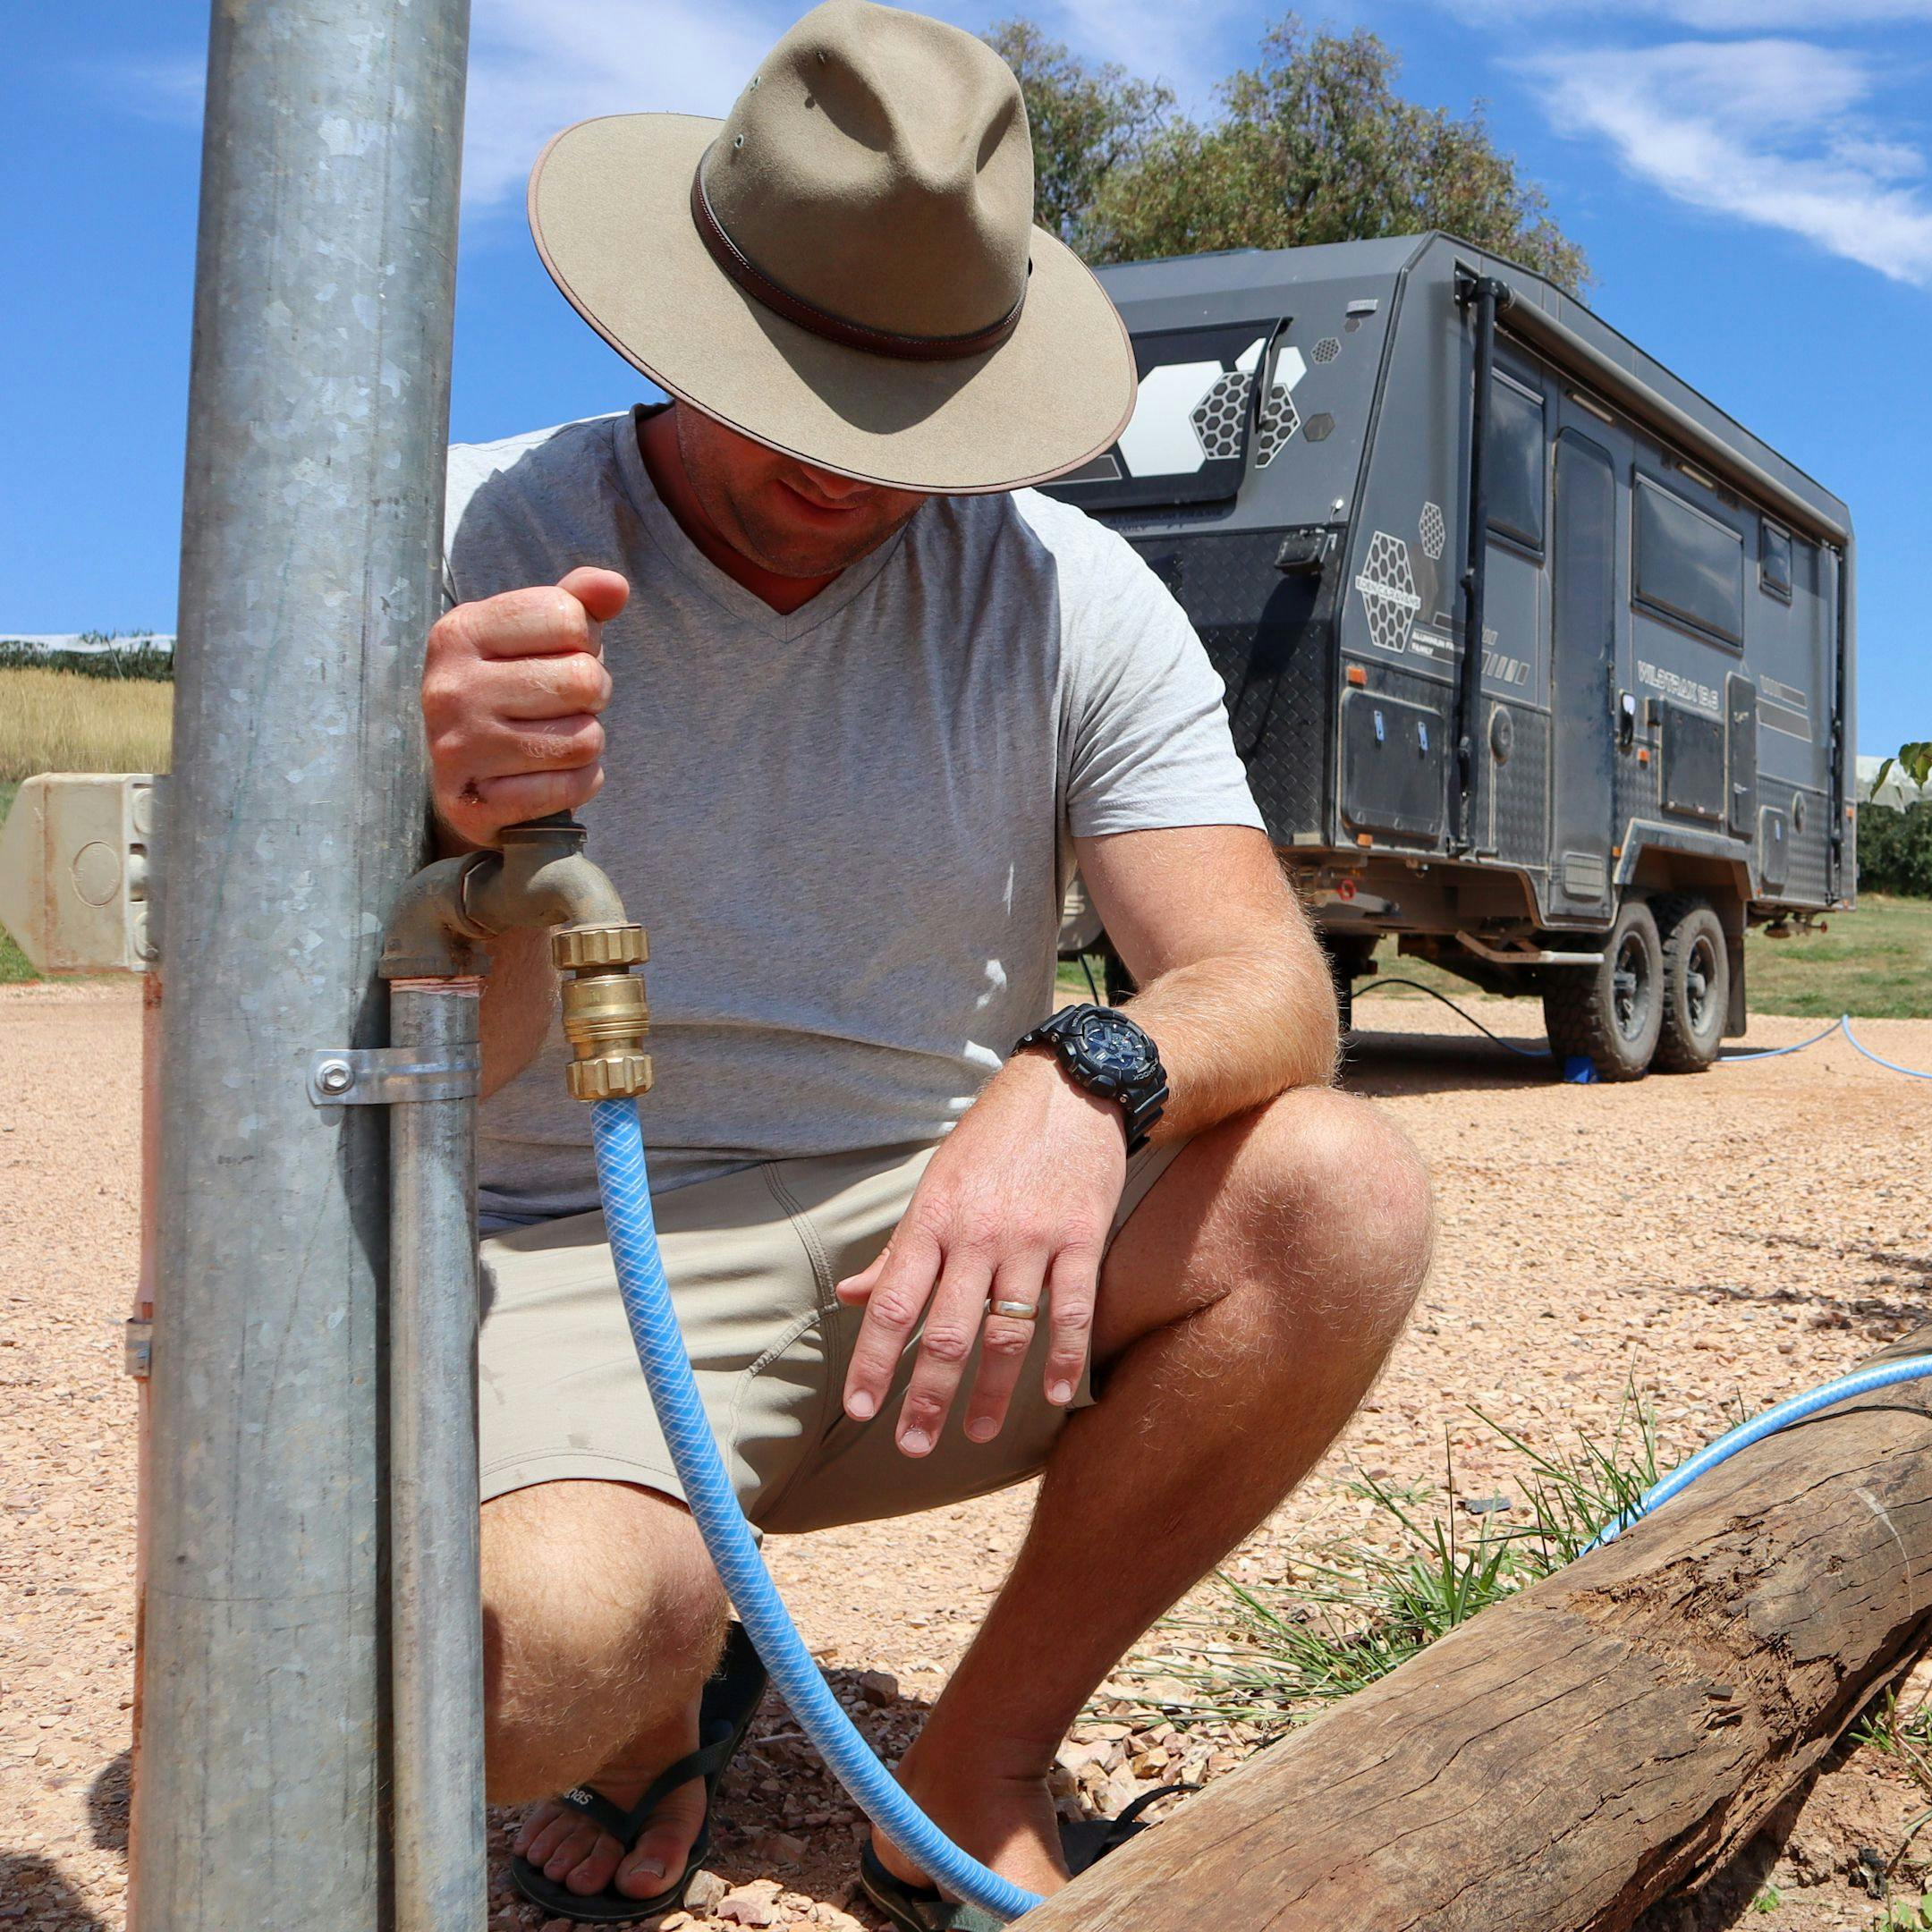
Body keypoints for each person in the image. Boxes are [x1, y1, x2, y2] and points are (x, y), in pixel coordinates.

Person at [422, 4, 1435, 1922]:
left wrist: (1085, 1080)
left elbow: (1264, 980)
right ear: (683, 309)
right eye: (789, 385)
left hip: (933, 1250)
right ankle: (656, 1688)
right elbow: (261, 1052)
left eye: (899, 408)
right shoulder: (464, 536)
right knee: (522, 1677)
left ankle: (963, 1771)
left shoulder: (1066, 588)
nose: (840, 463)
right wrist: (433, 830)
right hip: (566, 1248)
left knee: (1339, 1193)